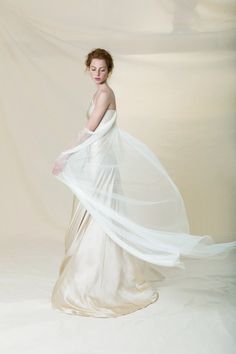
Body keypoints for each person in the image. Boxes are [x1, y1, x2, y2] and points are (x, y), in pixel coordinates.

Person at [51, 48, 236, 318]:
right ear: (87, 69)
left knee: (100, 216)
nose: (98, 74)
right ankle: (98, 275)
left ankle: (99, 282)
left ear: (109, 70)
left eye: (102, 69)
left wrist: (65, 155)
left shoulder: (105, 94)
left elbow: (90, 128)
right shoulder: (97, 92)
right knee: (98, 214)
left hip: (101, 161)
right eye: (93, 69)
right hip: (96, 158)